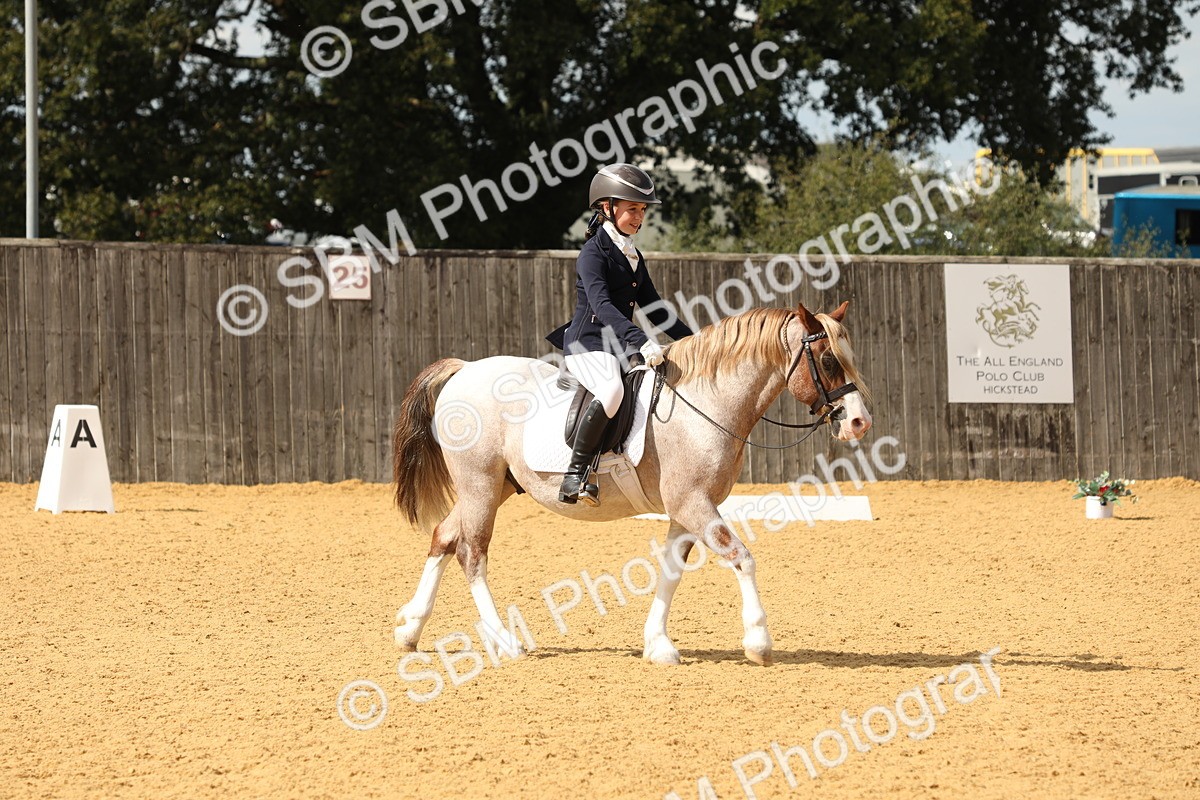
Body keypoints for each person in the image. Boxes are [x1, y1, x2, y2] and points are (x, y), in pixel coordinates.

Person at [545, 163, 695, 506]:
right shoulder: (592, 254)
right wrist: (641, 340)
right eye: (632, 209)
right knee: (612, 389)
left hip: (618, 346)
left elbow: (655, 309)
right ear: (607, 207)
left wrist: (694, 341)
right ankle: (574, 475)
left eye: (642, 210)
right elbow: (602, 306)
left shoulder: (633, 256)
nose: (639, 217)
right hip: (587, 344)